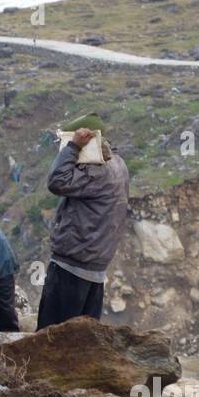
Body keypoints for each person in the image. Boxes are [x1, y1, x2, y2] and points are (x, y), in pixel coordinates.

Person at [36, 113, 130, 330]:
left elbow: (57, 182)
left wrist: (72, 149)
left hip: (73, 265)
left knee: (52, 337)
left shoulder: (98, 171)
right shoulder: (118, 165)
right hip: (95, 267)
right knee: (82, 336)